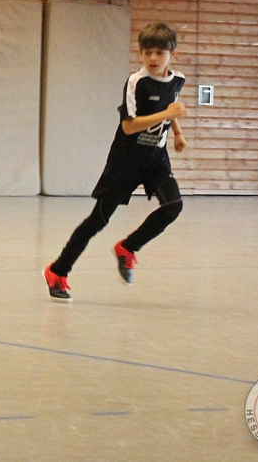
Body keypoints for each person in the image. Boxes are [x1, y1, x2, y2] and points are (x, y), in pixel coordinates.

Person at [44, 21, 187, 303]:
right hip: (126, 161)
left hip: (156, 159)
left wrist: (178, 133)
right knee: (98, 220)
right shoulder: (136, 82)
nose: (153, 58)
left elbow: (169, 109)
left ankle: (128, 248)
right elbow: (129, 126)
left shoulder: (177, 81)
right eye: (147, 52)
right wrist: (166, 115)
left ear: (173, 54)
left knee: (173, 206)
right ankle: (57, 271)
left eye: (159, 53)